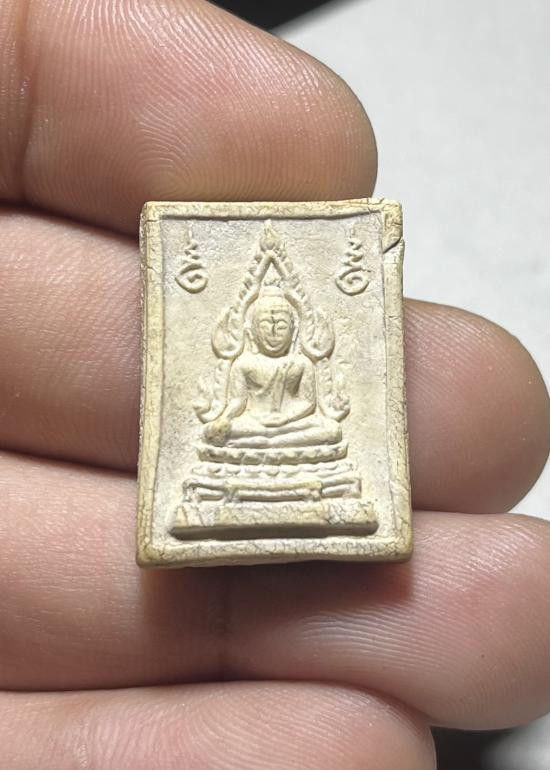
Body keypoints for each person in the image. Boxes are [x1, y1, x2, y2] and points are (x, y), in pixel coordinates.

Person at [0, 0, 548, 766]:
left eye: (282, 328)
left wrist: (319, 412)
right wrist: (223, 423)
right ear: (254, 327)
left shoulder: (292, 362)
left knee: (319, 436)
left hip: (301, 445)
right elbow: (232, 410)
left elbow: (316, 412)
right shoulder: (252, 363)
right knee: (232, 444)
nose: (275, 337)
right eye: (267, 327)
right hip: (252, 448)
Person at [203, 285, 342, 448]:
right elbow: (238, 401)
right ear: (252, 331)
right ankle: (276, 442)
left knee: (331, 430)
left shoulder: (302, 363)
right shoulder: (244, 363)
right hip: (254, 421)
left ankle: (261, 443)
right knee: (220, 430)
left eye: (282, 326)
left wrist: (285, 418)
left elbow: (307, 402)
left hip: (291, 423)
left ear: (294, 331)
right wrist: (225, 418)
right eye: (265, 325)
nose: (273, 332)